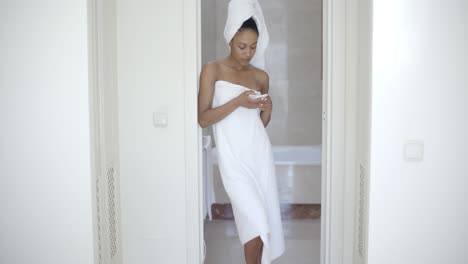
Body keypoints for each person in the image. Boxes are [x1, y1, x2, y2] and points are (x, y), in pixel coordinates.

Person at [198, 15, 285, 264]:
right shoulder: (212, 70)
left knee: (257, 231)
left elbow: (259, 124)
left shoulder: (260, 76)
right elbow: (203, 119)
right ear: (230, 41)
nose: (248, 53)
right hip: (233, 160)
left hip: (259, 155)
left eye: (253, 46)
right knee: (256, 220)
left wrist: (268, 108)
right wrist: (238, 101)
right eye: (242, 46)